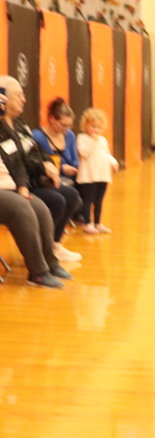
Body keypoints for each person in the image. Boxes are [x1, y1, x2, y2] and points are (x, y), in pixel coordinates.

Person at [0, 79, 72, 288]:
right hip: (11, 189)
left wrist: (47, 164)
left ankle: (50, 263)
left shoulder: (19, 125)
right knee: (21, 207)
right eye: (19, 95)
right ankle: (37, 273)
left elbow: (33, 153)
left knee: (40, 208)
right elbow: (14, 161)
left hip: (13, 185)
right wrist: (22, 186)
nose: (24, 99)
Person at [32, 97, 84, 262]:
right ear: (52, 120)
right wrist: (61, 168)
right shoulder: (38, 137)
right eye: (63, 125)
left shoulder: (69, 136)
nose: (66, 129)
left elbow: (74, 160)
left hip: (61, 179)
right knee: (59, 199)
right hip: (42, 180)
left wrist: (69, 168)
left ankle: (56, 243)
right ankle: (46, 244)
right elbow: (37, 162)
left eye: (69, 125)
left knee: (73, 195)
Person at [75, 108, 118, 235]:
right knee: (88, 200)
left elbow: (106, 154)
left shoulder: (102, 140)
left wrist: (113, 162)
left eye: (99, 128)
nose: (96, 130)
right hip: (89, 176)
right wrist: (93, 141)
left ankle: (98, 223)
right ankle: (87, 223)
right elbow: (84, 153)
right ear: (85, 124)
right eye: (93, 126)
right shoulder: (82, 138)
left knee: (99, 201)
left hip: (102, 175)